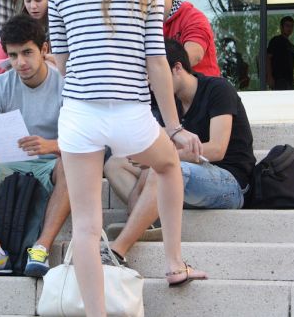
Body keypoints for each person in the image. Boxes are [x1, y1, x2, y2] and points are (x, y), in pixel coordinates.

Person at [48, 0, 207, 316]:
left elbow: (61, 61)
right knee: (169, 166)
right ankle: (174, 263)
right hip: (130, 112)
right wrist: (173, 126)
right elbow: (157, 60)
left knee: (85, 225)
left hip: (81, 113)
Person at [105, 39, 256, 252]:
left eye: (155, 73)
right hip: (190, 179)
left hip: (230, 183)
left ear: (177, 68)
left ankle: (120, 247)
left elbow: (216, 149)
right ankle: (146, 219)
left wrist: (160, 158)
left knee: (163, 167)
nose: (150, 82)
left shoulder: (218, 89)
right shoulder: (171, 104)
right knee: (114, 164)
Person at [0, 14, 69, 277]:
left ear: (44, 50)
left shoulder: (65, 84)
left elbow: (86, 142)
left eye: (27, 53)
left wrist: (50, 145)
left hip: (51, 163)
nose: (20, 62)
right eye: (13, 55)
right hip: (5, 163)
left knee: (72, 163)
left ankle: (41, 247)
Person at [145, 0, 221, 77]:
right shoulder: (146, 22)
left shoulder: (192, 17)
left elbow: (194, 55)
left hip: (202, 92)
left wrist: (155, 73)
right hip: (168, 91)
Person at [267, 16, 294, 90]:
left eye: (291, 26)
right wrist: (270, 77)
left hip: (289, 81)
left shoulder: (291, 46)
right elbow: (268, 58)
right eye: (287, 26)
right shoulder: (276, 41)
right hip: (278, 80)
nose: (289, 28)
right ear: (281, 27)